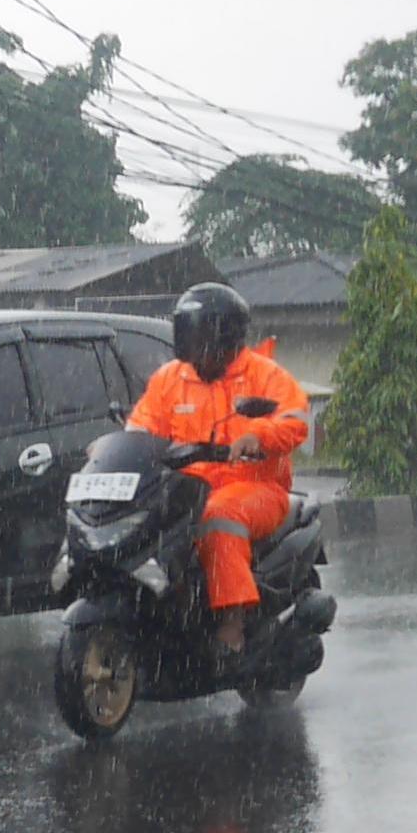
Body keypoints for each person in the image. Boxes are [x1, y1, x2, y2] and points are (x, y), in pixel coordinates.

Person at [127, 282, 310, 659]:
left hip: (255, 487)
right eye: (188, 338)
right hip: (188, 486)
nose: (195, 349)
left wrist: (258, 436)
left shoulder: (264, 375)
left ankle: (232, 621)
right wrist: (124, 445)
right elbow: (144, 424)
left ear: (225, 337)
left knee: (218, 518)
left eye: (201, 338)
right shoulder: (170, 379)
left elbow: (296, 419)